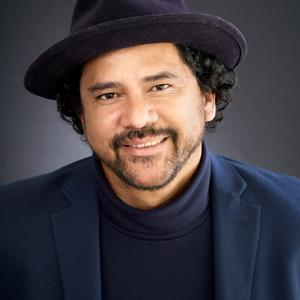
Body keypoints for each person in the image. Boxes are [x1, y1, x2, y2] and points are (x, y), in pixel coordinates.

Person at [1, 0, 300, 299]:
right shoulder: (9, 226)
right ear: (82, 114)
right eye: (108, 95)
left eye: (160, 87)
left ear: (208, 98)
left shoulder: (294, 217)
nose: (137, 118)